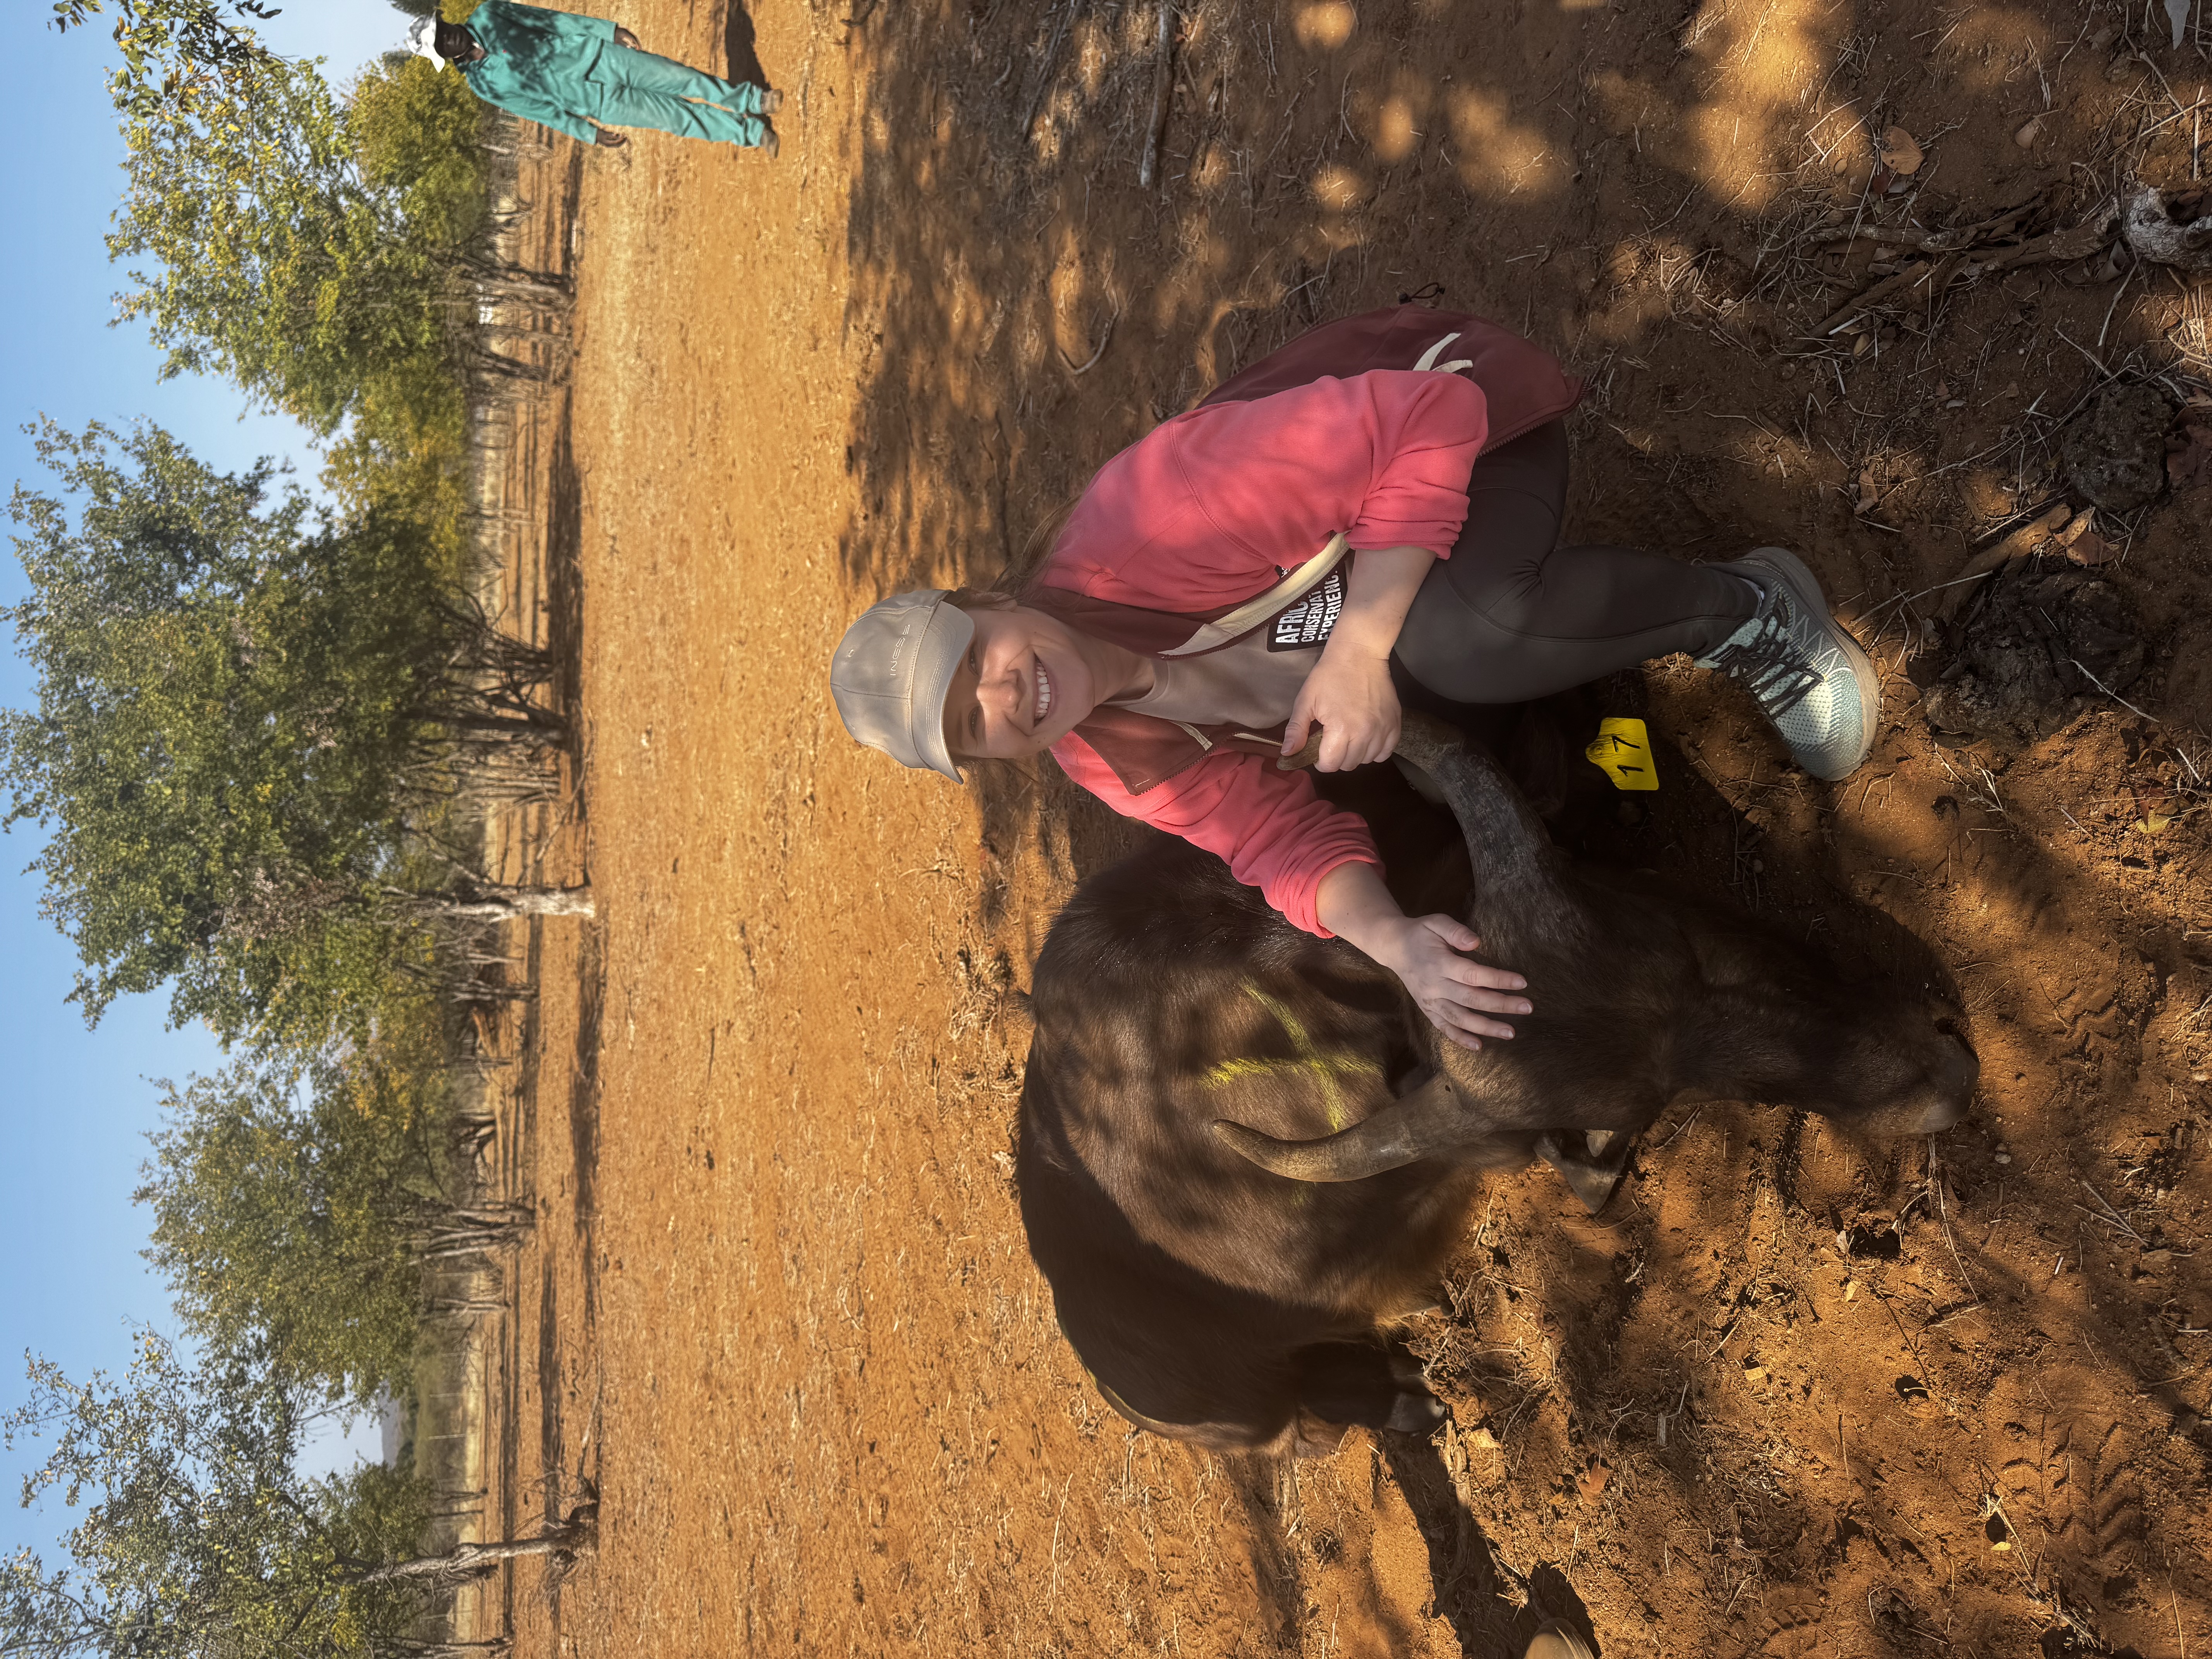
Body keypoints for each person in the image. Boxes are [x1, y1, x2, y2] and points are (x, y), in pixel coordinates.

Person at [830, 306, 1878, 1052]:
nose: (1005, 697)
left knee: (1465, 639)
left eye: (977, 660)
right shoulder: (1105, 759)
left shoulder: (1148, 523)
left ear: (986, 602)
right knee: (1431, 774)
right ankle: (1601, 710)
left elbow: (1430, 418)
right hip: (1400, 599)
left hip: (1476, 429)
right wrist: (1396, 945)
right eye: (973, 725)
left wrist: (1360, 649)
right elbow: (1273, 840)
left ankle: (1751, 611)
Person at [405, 5, 781, 158]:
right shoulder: (483, 85)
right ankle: (749, 133)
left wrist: (607, 31)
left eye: (442, 29)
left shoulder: (490, 14)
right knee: (675, 119)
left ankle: (752, 101)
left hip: (597, 57)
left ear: (445, 20)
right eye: (440, 43)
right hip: (595, 102)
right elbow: (539, 111)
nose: (447, 37)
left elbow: (551, 21)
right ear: (442, 55)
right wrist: (588, 132)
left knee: (681, 78)